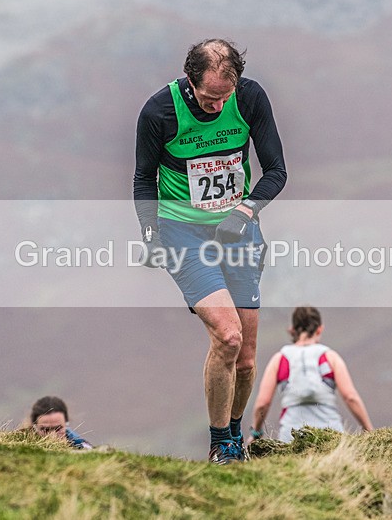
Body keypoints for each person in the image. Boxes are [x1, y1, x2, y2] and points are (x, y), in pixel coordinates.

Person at [133, 39, 287, 464]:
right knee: (228, 335)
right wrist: (150, 233)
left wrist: (245, 210)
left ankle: (235, 436)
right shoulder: (159, 112)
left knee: (246, 358)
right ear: (190, 80)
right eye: (208, 98)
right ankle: (220, 443)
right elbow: (144, 178)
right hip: (183, 232)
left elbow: (276, 171)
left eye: (224, 97)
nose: (217, 106)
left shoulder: (250, 98)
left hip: (238, 232)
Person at [247, 306, 373, 444]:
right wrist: (368, 430)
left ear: (292, 330)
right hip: (331, 435)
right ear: (320, 329)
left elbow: (263, 403)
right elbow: (350, 397)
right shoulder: (331, 357)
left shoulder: (279, 359)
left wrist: (256, 433)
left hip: (291, 436)